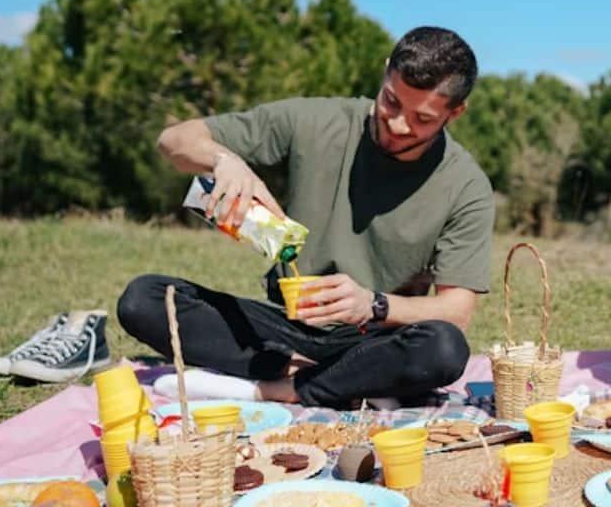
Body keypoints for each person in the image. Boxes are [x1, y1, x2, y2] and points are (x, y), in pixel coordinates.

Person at [117, 26, 494, 408]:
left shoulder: (466, 186)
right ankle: (331, 380)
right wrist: (224, 161)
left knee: (444, 348)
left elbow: (456, 312)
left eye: (422, 118)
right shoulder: (315, 119)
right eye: (392, 101)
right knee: (144, 299)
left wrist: (374, 304)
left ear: (455, 112)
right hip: (283, 326)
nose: (398, 124)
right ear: (385, 72)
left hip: (372, 336)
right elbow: (174, 140)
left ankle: (276, 389)